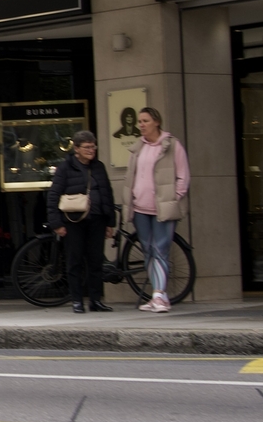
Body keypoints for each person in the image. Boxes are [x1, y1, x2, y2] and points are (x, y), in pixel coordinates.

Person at [129, 106, 190, 313]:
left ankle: (158, 297)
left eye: (145, 121)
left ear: (156, 121)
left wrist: (173, 198)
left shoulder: (172, 145)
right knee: (147, 250)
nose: (141, 125)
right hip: (140, 208)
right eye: (140, 122)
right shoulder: (139, 147)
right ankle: (159, 294)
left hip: (162, 208)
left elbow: (183, 176)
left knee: (161, 249)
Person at [49, 131, 116, 314]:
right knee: (75, 261)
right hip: (73, 221)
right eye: (86, 147)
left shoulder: (99, 167)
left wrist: (110, 221)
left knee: (95, 261)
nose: (91, 150)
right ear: (76, 149)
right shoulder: (65, 168)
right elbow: (54, 194)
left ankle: (95, 300)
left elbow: (107, 194)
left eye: (93, 146)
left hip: (97, 220)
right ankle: (77, 300)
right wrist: (56, 223)